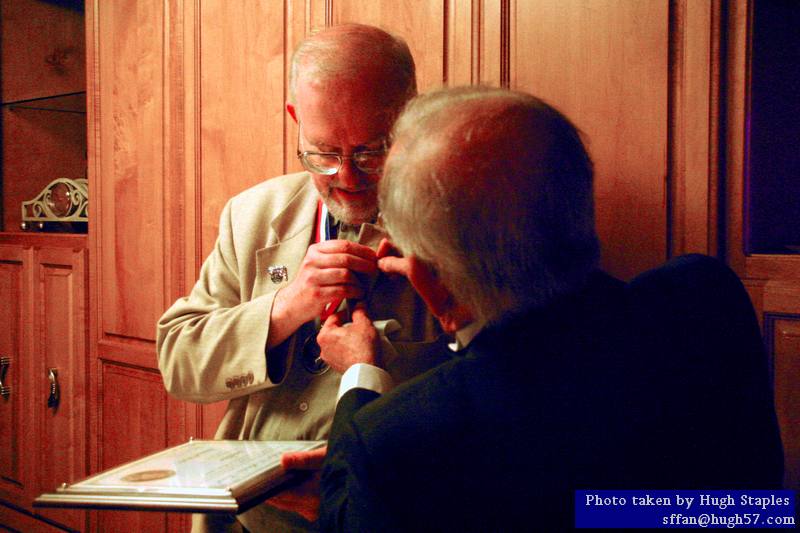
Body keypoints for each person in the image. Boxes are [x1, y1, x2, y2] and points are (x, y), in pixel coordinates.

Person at [310, 86, 784, 531]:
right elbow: (744, 511)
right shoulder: (704, 296)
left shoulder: (396, 445)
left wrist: (360, 377)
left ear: (431, 286)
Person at [156, 24, 448, 532]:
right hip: (249, 519)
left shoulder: (454, 228)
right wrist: (284, 309)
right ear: (295, 120)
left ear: (411, 120)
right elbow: (180, 363)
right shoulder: (250, 215)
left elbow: (495, 396)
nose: (348, 176)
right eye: (324, 153)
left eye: (371, 150)